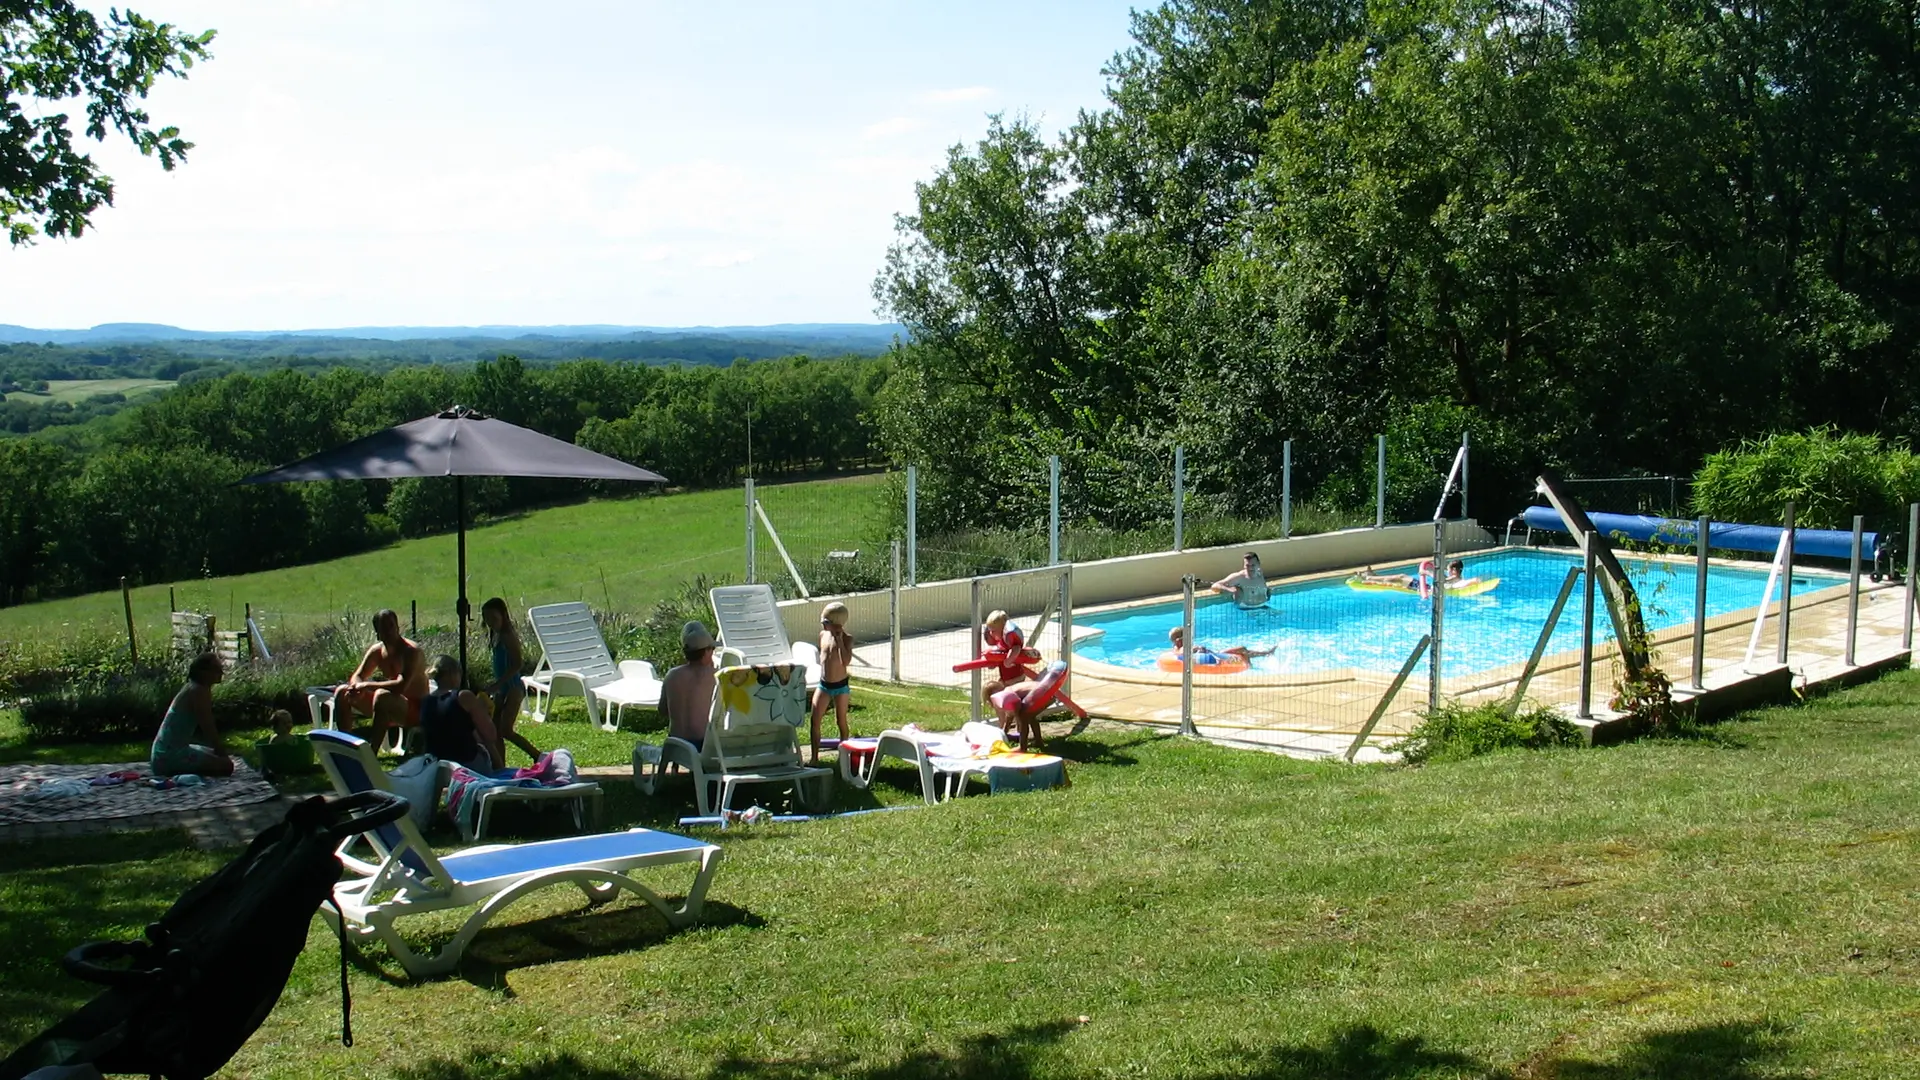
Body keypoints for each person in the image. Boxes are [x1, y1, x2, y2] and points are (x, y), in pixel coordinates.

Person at [331, 609, 429, 755]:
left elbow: (400, 687)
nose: (389, 631)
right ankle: (347, 748)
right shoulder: (377, 651)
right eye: (384, 627)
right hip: (390, 705)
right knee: (342, 692)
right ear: (377, 631)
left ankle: (371, 753)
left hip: (417, 710)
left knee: (381, 695)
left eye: (391, 626)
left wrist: (367, 686)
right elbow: (358, 675)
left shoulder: (411, 652)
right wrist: (355, 688)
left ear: (397, 627)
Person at [151, 651, 235, 777]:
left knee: (214, 755)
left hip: (162, 753)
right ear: (203, 672)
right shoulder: (198, 691)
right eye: (216, 669)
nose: (221, 672)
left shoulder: (194, 687)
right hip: (169, 757)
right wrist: (221, 752)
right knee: (227, 766)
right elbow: (208, 727)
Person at [480, 597, 541, 762]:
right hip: (502, 689)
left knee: (506, 730)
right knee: (494, 731)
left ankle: (537, 755)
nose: (490, 622)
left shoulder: (508, 636)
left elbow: (517, 664)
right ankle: (500, 764)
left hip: (513, 688)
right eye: (487, 618)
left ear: (503, 615)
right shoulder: (495, 634)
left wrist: (497, 685)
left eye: (494, 618)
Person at [417, 655, 502, 773]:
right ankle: (500, 774)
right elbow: (491, 735)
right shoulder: (463, 697)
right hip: (465, 765)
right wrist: (482, 710)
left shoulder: (426, 701)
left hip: (435, 766)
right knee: (488, 744)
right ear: (452, 673)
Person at [659, 620, 719, 749]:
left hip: (675, 744)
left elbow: (663, 710)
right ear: (706, 651)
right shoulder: (715, 676)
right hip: (702, 745)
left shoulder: (672, 675)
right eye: (712, 648)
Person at [810, 601, 853, 762]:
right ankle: (814, 757)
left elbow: (845, 661)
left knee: (841, 720)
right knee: (814, 720)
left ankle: (844, 756)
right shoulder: (822, 635)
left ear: (837, 624)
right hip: (824, 685)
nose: (822, 624)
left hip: (841, 686)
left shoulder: (847, 639)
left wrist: (839, 639)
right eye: (822, 620)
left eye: (826, 622)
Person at [1166, 625, 1275, 666]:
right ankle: (1260, 659)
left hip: (1211, 655)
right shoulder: (1183, 647)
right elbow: (1183, 654)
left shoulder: (1175, 647)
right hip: (1215, 657)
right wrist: (1197, 648)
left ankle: (1264, 654)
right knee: (1242, 649)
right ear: (1180, 640)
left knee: (1239, 652)